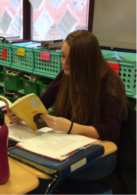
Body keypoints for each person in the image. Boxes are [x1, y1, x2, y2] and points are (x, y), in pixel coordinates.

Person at [7, 30, 127, 185]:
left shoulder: (110, 84)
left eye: (72, 59)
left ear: (87, 60)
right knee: (21, 158)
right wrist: (21, 113)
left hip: (100, 156)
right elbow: (43, 103)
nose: (64, 62)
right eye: (63, 56)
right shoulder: (67, 74)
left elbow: (112, 131)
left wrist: (71, 127)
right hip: (66, 143)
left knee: (35, 171)